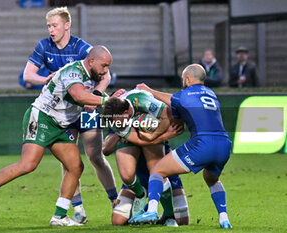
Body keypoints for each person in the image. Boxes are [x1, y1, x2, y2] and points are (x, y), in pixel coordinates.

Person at [0, 46, 117, 227]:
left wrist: (114, 98)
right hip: (43, 117)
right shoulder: (73, 71)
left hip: (60, 126)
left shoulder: (93, 75)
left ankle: (59, 216)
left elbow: (91, 96)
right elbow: (78, 95)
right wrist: (106, 101)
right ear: (91, 61)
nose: (105, 71)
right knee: (28, 164)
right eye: (104, 66)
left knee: (75, 166)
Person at [23, 7, 118, 223]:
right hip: (62, 112)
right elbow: (28, 75)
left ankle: (115, 201)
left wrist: (94, 96)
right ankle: (78, 211)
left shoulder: (81, 47)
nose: (51, 30)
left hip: (87, 107)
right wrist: (48, 78)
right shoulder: (44, 45)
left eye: (54, 25)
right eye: (48, 26)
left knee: (95, 155)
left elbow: (105, 75)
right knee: (69, 162)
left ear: (67, 25)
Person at [130, 64, 233, 229]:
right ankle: (224, 218)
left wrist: (149, 90)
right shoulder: (211, 94)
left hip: (203, 144)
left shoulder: (185, 94)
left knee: (157, 170)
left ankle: (152, 210)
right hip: (224, 145)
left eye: (183, 79)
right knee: (211, 179)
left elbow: (172, 101)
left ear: (187, 79)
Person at [102, 132, 189, 226]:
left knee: (181, 220)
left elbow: (174, 128)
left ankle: (166, 214)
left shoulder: (156, 118)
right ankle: (142, 200)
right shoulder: (120, 120)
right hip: (138, 174)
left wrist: (153, 132)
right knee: (118, 220)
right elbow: (106, 150)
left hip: (163, 170)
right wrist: (123, 132)